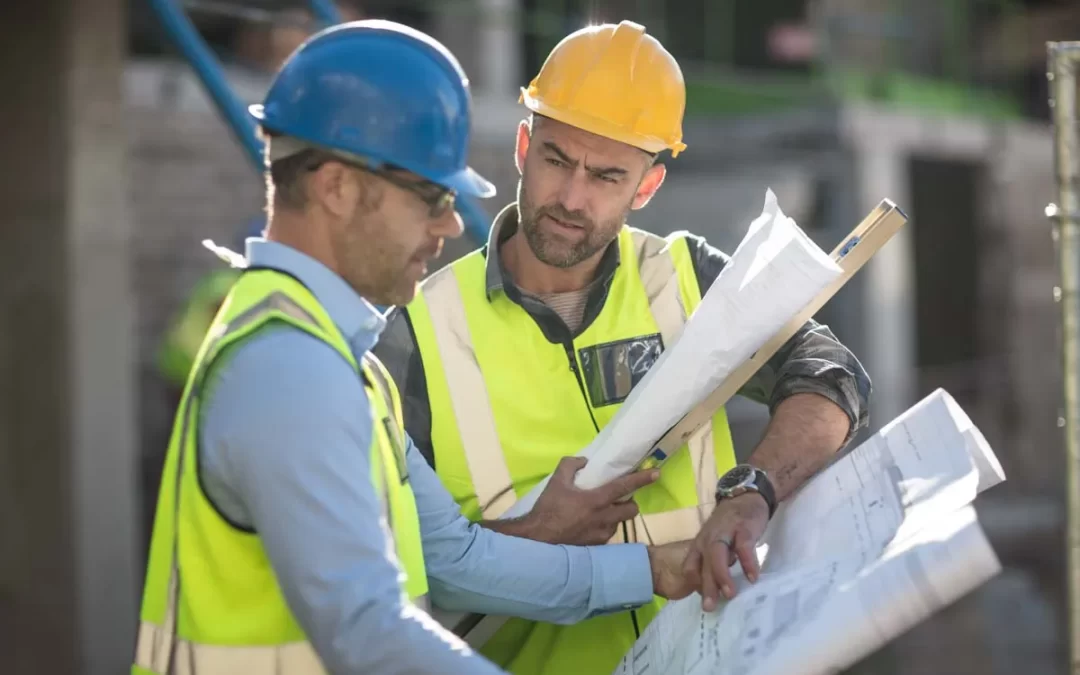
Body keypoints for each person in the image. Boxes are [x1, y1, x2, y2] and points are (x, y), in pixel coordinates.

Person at [133, 20, 697, 675]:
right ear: (338, 187)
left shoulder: (338, 360)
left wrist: (649, 569)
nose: (452, 224)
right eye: (432, 196)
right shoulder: (291, 370)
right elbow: (368, 631)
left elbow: (455, 558)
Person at [373, 19, 872, 675]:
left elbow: (832, 374)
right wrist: (536, 535)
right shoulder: (416, 330)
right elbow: (395, 579)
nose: (571, 198)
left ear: (647, 186)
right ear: (524, 145)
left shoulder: (687, 279)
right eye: (556, 159)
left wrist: (752, 492)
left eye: (606, 176)